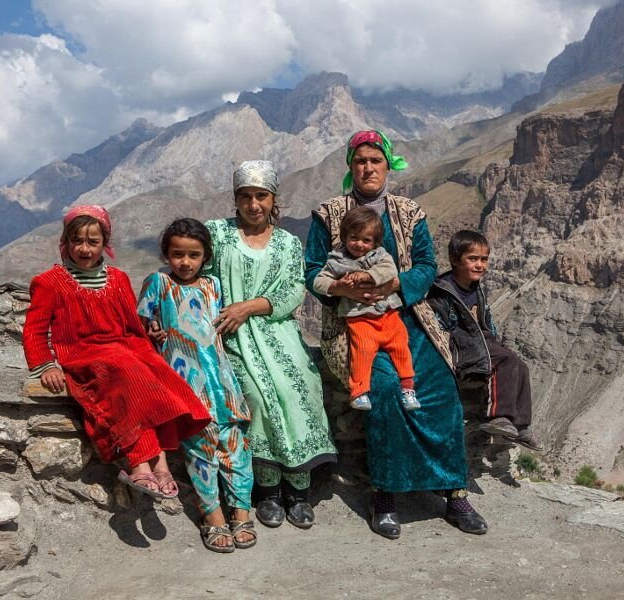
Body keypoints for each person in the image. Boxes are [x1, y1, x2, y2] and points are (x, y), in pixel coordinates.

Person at [305, 130, 487, 539]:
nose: (367, 168)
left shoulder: (409, 212)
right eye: (360, 162)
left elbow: (425, 264)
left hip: (409, 319)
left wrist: (394, 286)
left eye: (375, 161)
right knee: (384, 388)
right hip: (351, 324)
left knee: (439, 385)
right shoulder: (328, 214)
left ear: (388, 165)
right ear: (350, 169)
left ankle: (453, 491)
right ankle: (384, 494)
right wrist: (341, 288)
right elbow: (312, 269)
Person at [22, 205, 210, 501]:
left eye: (93, 242)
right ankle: (140, 463)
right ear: (66, 242)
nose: (84, 249)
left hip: (123, 347)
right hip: (83, 353)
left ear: (104, 244)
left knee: (156, 373)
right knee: (129, 372)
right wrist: (47, 366)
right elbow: (34, 331)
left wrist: (148, 346)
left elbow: (131, 326)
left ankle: (159, 462)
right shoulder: (49, 283)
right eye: (77, 241)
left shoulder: (119, 279)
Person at [205, 160, 336, 530]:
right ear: (236, 199)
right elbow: (195, 271)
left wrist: (248, 306)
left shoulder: (288, 243)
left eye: (261, 196)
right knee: (259, 396)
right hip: (231, 335)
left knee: (302, 389)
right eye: (245, 197)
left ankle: (299, 489)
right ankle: (269, 491)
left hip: (277, 330)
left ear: (273, 198)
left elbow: (295, 289)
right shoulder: (217, 234)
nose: (253, 204)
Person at [137, 218, 256, 553]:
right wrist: (153, 332)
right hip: (186, 384)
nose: (185, 262)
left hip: (222, 382)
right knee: (201, 451)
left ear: (205, 257)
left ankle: (241, 511)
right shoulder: (158, 283)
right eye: (178, 254)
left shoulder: (213, 285)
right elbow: (141, 325)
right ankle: (213, 516)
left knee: (236, 448)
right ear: (166, 254)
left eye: (194, 255)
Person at [428, 230, 543, 451]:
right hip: (460, 344)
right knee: (505, 360)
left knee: (521, 366)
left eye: (484, 259)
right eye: (473, 259)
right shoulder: (442, 290)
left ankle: (521, 426)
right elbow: (440, 326)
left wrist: (493, 340)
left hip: (477, 339)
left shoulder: (475, 289)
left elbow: (486, 321)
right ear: (454, 259)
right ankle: (498, 416)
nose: (480, 265)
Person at [311, 206, 419, 412]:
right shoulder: (336, 261)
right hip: (359, 318)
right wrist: (337, 287)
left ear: (375, 242)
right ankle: (359, 391)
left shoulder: (380, 256)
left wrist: (369, 276)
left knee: (400, 345)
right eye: (354, 238)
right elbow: (318, 282)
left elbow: (390, 270)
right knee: (362, 350)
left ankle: (407, 387)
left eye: (366, 240)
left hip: (388, 314)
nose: (359, 244)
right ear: (344, 237)